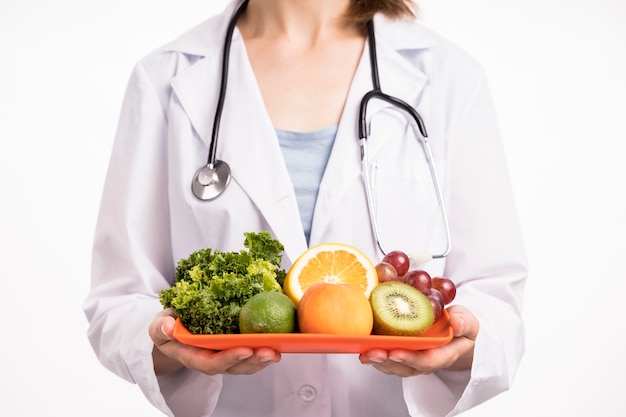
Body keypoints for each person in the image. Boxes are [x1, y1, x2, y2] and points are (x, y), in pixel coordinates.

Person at [83, 0, 527, 416]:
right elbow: (120, 300)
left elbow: (495, 296)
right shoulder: (166, 78)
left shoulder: (448, 75)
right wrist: (162, 344)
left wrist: (465, 344)